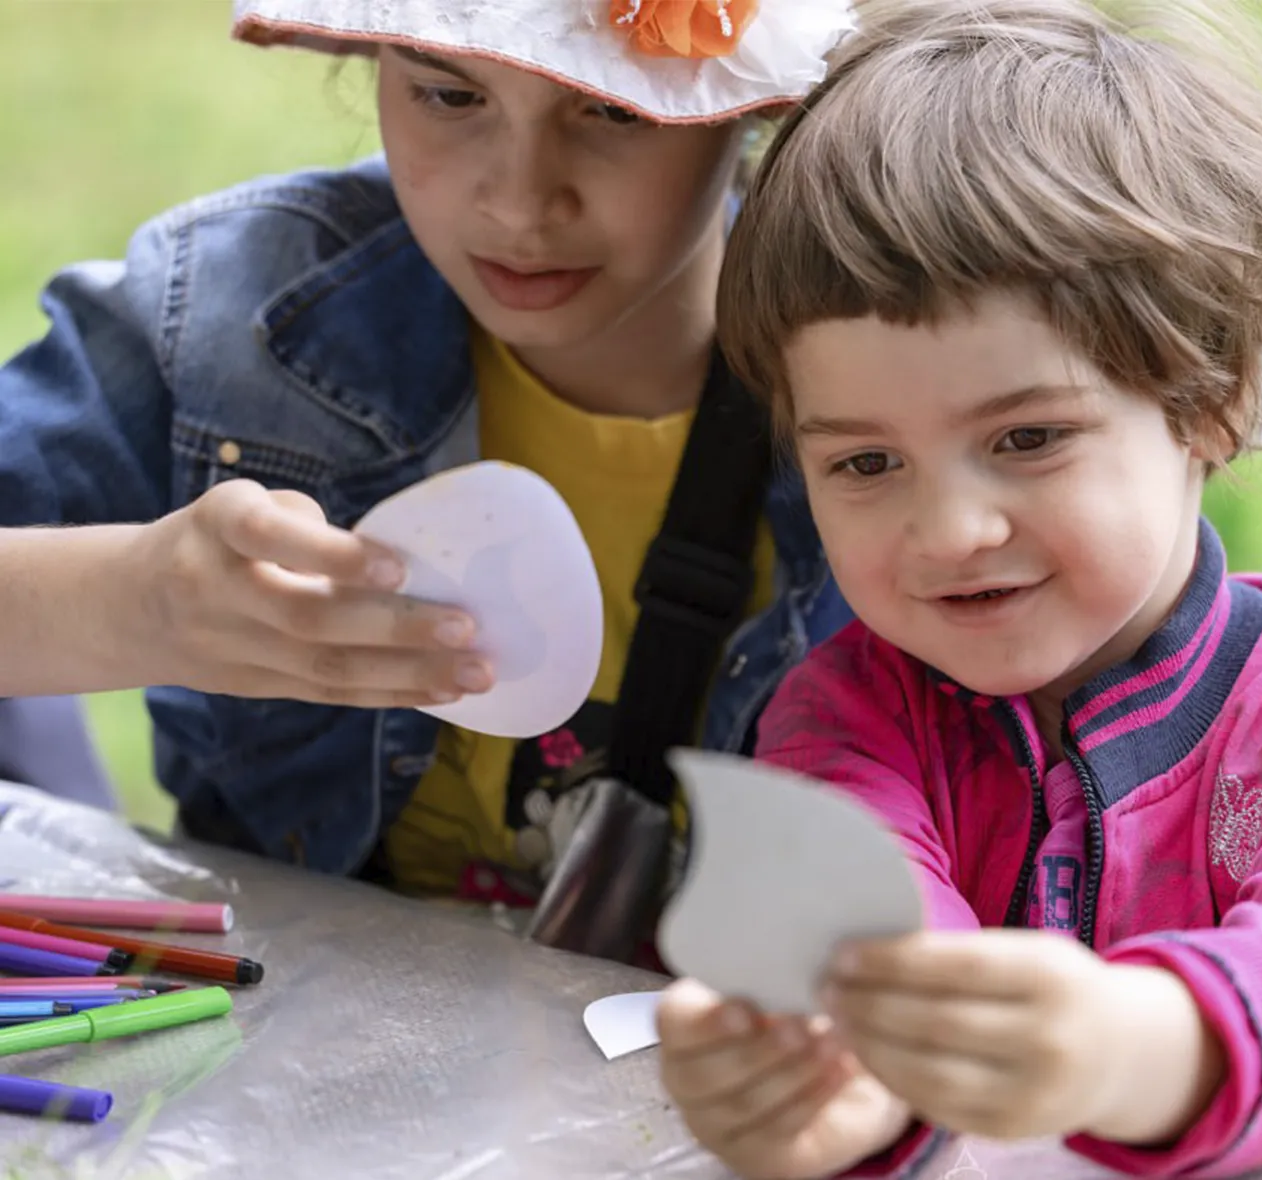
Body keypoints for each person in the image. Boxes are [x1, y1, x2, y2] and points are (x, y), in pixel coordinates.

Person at [652, 1, 1262, 1178]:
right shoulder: (845, 717)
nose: (949, 531)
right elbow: (863, 955)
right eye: (866, 462)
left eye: (1029, 437)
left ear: (1213, 397)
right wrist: (835, 1092)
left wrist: (1129, 1046)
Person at [0, 0, 855, 911]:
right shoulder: (225, 311)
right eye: (449, 94)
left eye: (618, 111)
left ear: (757, 104)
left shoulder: (900, 366)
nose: (521, 201)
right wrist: (131, 602)